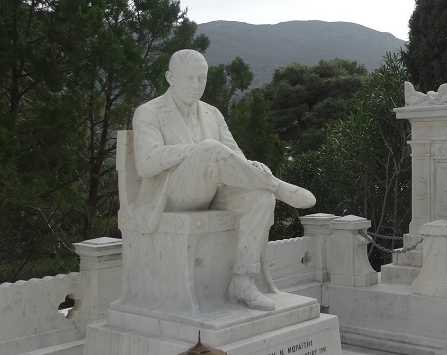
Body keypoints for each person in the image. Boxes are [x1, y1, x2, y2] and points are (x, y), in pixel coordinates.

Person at [131, 49, 315, 311]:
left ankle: (242, 280)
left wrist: (252, 167)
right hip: (172, 195)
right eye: (189, 78)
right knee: (209, 148)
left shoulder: (212, 113)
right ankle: (277, 186)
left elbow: (234, 157)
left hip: (214, 191)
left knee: (260, 197)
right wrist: (196, 151)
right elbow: (146, 162)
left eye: (202, 78)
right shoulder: (149, 112)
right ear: (170, 77)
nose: (196, 85)